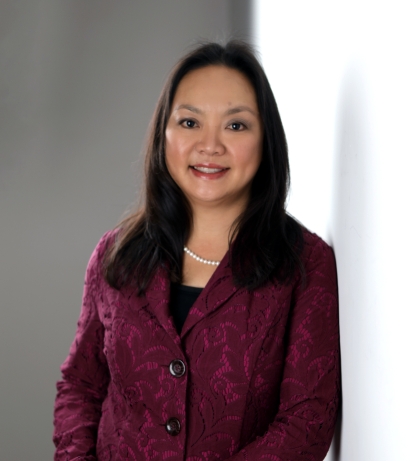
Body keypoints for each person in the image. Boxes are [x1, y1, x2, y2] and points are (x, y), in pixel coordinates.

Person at [53, 41, 340, 461]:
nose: (210, 145)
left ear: (266, 141)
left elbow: (308, 419)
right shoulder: (115, 255)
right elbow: (81, 384)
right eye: (189, 122)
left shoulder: (304, 263)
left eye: (236, 126)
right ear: (163, 134)